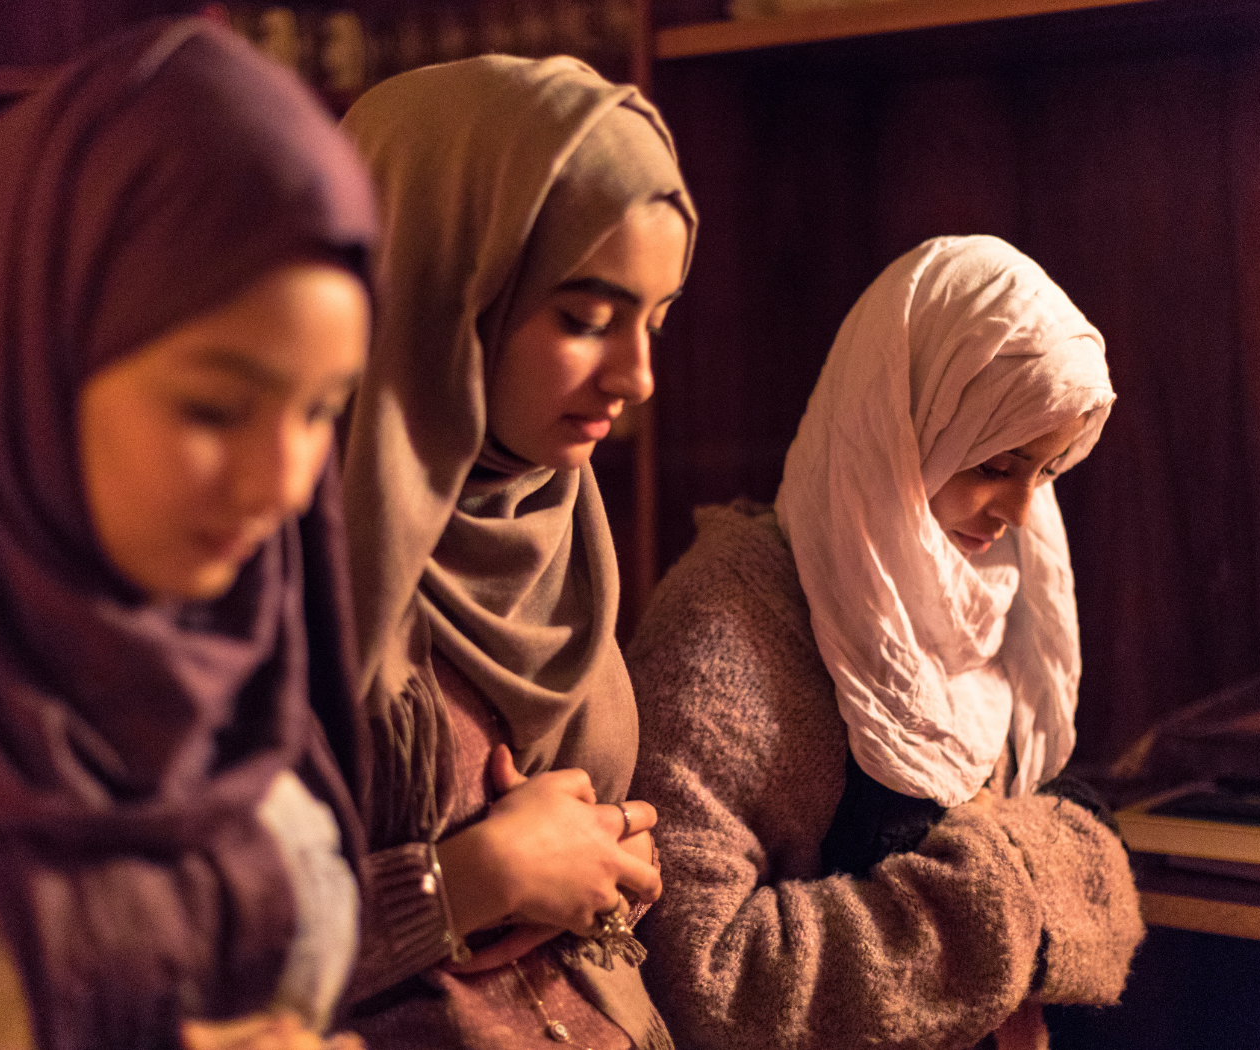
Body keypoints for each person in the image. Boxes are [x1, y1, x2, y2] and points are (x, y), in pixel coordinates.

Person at [0, 19, 377, 1050]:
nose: (283, 485)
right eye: (214, 409)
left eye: (322, 411)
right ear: (31, 364)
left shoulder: (248, 656)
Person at [626, 236, 1145, 1050]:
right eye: (996, 463)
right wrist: (1003, 905)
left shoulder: (989, 597)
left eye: (1045, 472)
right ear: (902, 426)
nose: (1018, 511)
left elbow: (1103, 888)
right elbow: (695, 973)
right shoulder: (733, 619)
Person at [334, 55, 695, 1050]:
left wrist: (605, 869)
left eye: (657, 320)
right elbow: (184, 953)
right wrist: (467, 882)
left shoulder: (556, 523)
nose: (638, 376)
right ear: (446, 284)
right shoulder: (276, 558)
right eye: (585, 319)